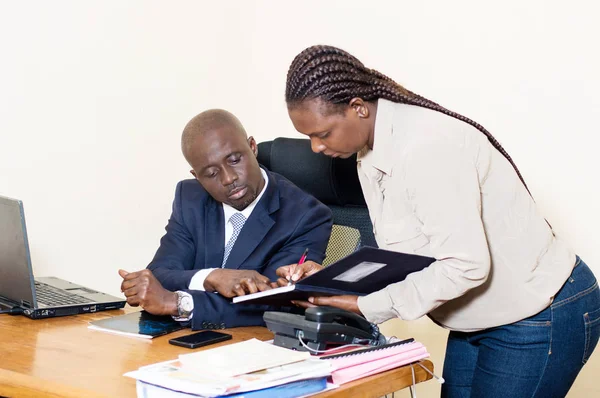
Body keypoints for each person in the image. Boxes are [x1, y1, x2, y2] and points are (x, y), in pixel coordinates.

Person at [278, 45, 600, 397]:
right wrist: (330, 284)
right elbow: (412, 254)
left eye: (322, 134)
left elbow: (466, 266)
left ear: (358, 108)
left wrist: (364, 306)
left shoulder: (424, 148)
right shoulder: (369, 150)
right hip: (476, 316)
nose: (315, 148)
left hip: (539, 311)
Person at [119, 109, 332, 330]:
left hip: (251, 345)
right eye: (211, 173)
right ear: (197, 176)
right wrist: (211, 277)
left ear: (252, 147)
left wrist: (176, 303)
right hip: (184, 340)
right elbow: (161, 274)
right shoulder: (190, 197)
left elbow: (275, 303)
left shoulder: (306, 216)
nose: (229, 178)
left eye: (234, 160)